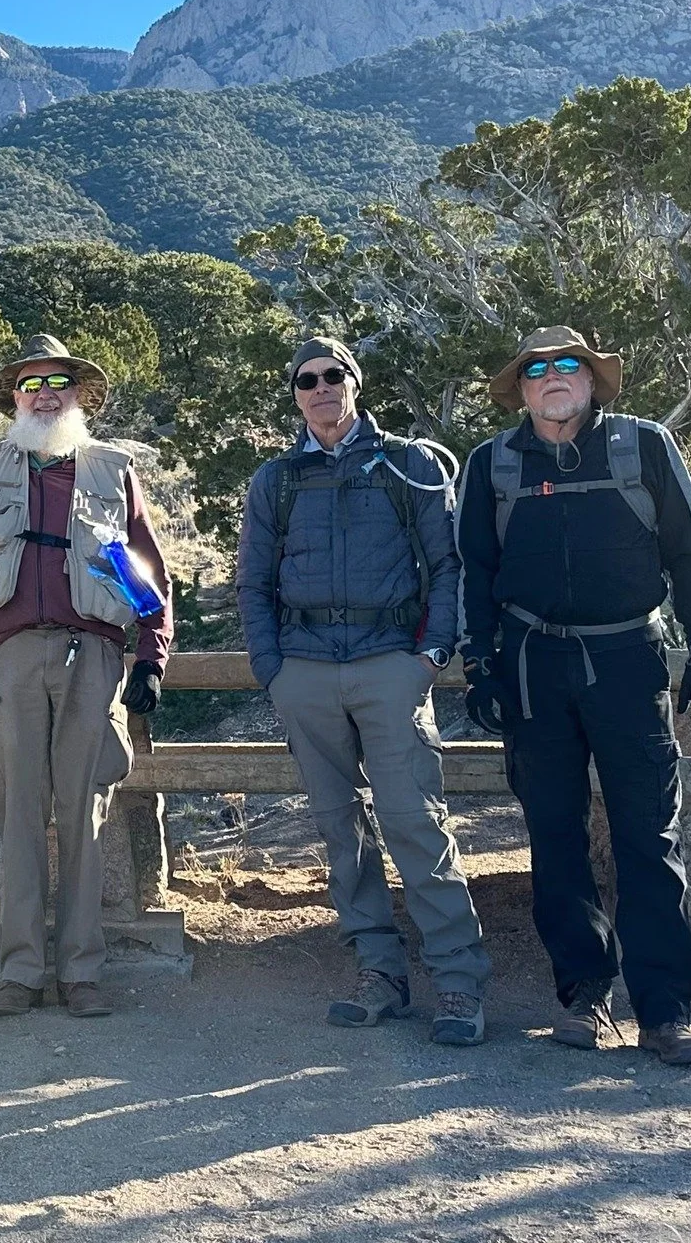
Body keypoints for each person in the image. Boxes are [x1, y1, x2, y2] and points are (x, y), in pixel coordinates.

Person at [457, 326, 691, 1066]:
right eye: (537, 368)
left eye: (567, 365)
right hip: (530, 661)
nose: (552, 377)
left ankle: (664, 1011)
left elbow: (688, 551)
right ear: (521, 388)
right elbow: (474, 570)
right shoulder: (493, 464)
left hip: (626, 658)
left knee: (649, 835)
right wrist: (479, 661)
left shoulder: (642, 447)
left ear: (591, 380)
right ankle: (583, 997)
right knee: (555, 834)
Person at [237, 337, 491, 1045]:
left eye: (333, 376)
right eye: (306, 380)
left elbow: (449, 568)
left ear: (355, 382)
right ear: (295, 394)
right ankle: (379, 974)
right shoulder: (276, 480)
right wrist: (273, 672)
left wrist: (429, 656)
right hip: (305, 671)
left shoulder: (411, 465)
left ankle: (459, 985)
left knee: (415, 821)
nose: (320, 388)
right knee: (339, 830)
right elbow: (252, 583)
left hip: (391, 663)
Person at [0, 335, 173, 1019]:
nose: (44, 394)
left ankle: (80, 971)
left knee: (83, 817)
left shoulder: (111, 471)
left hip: (91, 655)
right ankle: (19, 969)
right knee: (17, 817)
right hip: (9, 658)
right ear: (14, 398)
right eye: (30, 384)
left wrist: (151, 657)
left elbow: (147, 574)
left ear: (78, 395)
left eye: (57, 382)